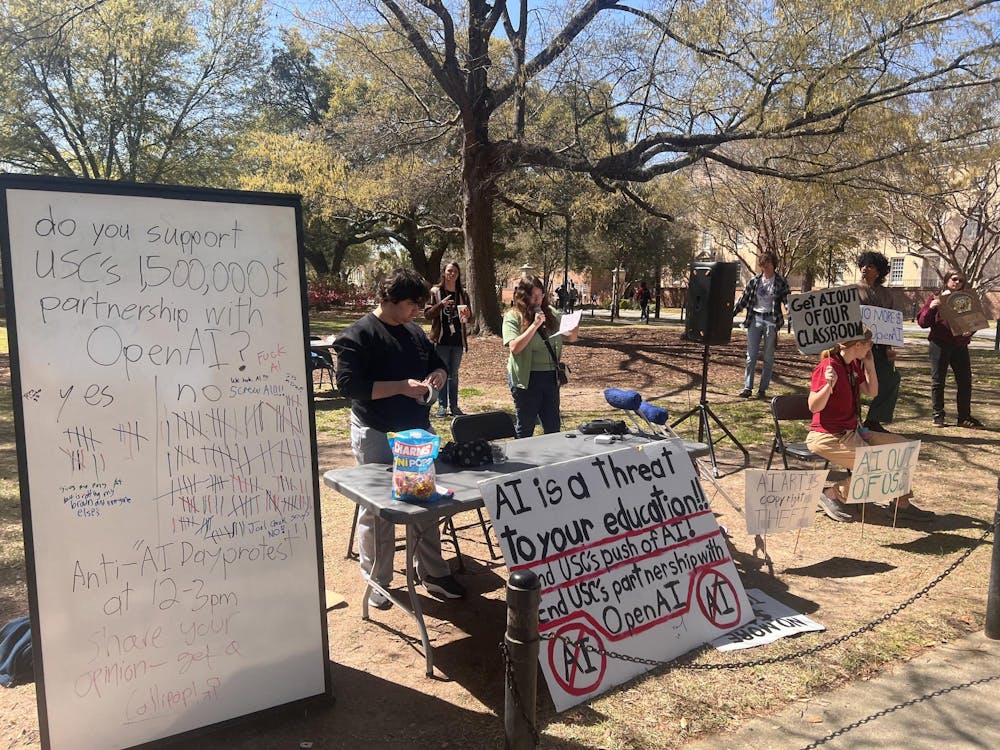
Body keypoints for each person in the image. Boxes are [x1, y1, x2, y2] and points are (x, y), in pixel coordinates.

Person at [333, 268, 466, 609]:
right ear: (392, 299)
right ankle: (378, 580)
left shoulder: (414, 333)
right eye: (412, 304)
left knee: (424, 499)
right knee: (378, 509)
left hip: (416, 435)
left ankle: (433, 572)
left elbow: (438, 364)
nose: (416, 311)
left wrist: (437, 375)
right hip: (376, 432)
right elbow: (350, 387)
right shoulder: (357, 336)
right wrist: (401, 388)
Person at [805, 328, 934, 524]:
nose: (872, 346)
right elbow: (814, 406)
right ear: (858, 345)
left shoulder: (852, 364)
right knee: (878, 464)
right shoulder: (829, 366)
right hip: (828, 436)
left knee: (903, 448)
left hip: (852, 432)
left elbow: (872, 392)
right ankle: (831, 494)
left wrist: (870, 365)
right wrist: (827, 386)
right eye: (869, 343)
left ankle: (901, 504)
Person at [503, 275, 579, 438]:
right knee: (526, 426)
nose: (538, 300)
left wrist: (574, 328)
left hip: (550, 377)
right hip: (526, 377)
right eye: (534, 296)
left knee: (552, 426)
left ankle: (552, 459)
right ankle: (524, 461)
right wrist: (534, 325)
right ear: (524, 296)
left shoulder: (551, 313)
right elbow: (515, 348)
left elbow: (570, 338)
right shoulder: (513, 316)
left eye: (541, 295)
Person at [917, 271, 985, 429]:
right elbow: (922, 322)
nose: (957, 282)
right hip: (939, 343)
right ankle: (938, 415)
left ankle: (964, 417)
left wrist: (970, 331)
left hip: (959, 345)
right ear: (947, 280)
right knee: (938, 380)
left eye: (961, 280)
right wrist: (932, 308)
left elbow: (974, 321)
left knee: (965, 381)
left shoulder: (965, 299)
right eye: (954, 279)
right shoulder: (936, 297)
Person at [732, 251, 790, 400]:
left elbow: (787, 300)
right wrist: (730, 314)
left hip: (771, 319)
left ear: (773, 264)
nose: (765, 267)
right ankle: (747, 388)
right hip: (755, 319)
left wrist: (793, 312)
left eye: (768, 264)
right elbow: (743, 300)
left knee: (768, 357)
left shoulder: (780, 282)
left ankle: (762, 390)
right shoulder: (754, 281)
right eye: (763, 265)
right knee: (751, 356)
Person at [855, 251, 900, 432]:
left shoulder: (887, 295)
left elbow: (889, 324)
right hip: (856, 345)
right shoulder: (852, 289)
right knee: (853, 381)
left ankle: (874, 420)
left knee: (891, 379)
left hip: (879, 347)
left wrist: (889, 348)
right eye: (863, 265)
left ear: (879, 271)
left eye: (870, 266)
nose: (865, 269)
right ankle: (852, 420)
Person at [424, 261, 471, 418]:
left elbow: (469, 318)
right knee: (442, 373)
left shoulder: (462, 293)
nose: (452, 274)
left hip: (457, 341)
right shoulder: (436, 291)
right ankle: (442, 406)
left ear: (458, 275)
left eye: (455, 272)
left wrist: (468, 316)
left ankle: (455, 406)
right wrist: (440, 305)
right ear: (444, 272)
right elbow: (427, 314)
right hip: (441, 340)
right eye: (449, 271)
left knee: (454, 375)